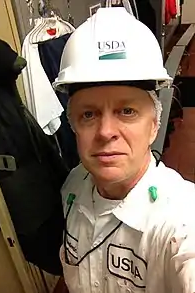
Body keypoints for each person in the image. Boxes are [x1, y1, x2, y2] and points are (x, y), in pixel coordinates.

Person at [53, 7, 195, 293]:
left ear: (154, 125)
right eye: (89, 115)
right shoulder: (73, 188)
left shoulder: (180, 221)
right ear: (73, 126)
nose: (106, 132)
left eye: (127, 111)